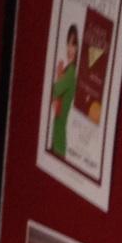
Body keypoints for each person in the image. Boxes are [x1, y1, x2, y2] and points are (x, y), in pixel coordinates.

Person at [48, 23, 79, 159]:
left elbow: (55, 89)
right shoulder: (67, 70)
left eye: (73, 44)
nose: (69, 48)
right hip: (56, 133)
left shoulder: (71, 72)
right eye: (68, 43)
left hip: (59, 137)